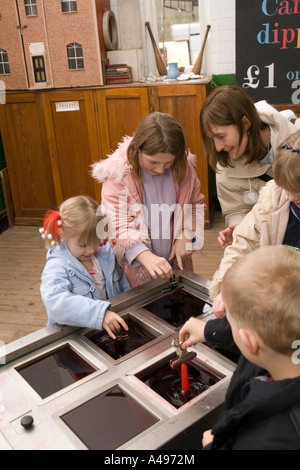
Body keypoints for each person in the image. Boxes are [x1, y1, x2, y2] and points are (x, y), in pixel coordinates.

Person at [180, 245, 300, 450]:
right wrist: (210, 330)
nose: (229, 325)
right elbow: (263, 327)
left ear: (248, 341)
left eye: (230, 322)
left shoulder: (266, 440)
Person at [92, 112, 205, 288]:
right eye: (153, 162)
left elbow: (195, 205)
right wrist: (143, 254)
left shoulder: (184, 169)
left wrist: (186, 236)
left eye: (168, 163)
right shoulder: (118, 175)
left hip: (177, 266)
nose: (160, 169)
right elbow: (116, 222)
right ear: (137, 150)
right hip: (133, 275)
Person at [209, 129, 300, 318]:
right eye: (286, 189)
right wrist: (228, 285)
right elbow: (243, 244)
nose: (290, 197)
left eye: (298, 193)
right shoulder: (273, 198)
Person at [200, 85, 300, 248]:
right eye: (212, 139)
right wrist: (240, 229)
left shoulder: (295, 140)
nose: (217, 147)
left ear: (245, 123)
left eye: (221, 136)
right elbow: (236, 211)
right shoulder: (224, 166)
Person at [40, 195, 130, 339]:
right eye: (83, 245)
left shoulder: (106, 253)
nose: (91, 250)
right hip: (74, 338)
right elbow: (55, 303)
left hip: (106, 331)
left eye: (96, 241)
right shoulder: (57, 265)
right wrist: (100, 314)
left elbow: (123, 286)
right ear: (63, 234)